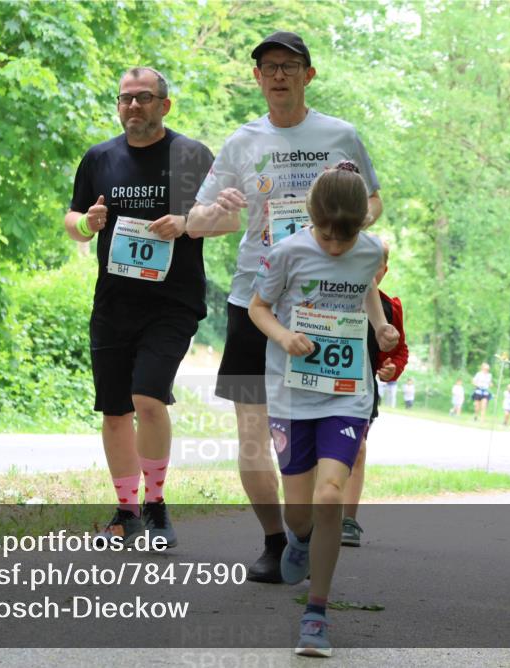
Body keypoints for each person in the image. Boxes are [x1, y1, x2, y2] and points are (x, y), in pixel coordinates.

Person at [186, 31, 383, 583]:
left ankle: (316, 519)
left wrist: (343, 224)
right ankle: (277, 541)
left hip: (329, 301)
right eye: (268, 66)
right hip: (255, 299)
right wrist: (217, 209)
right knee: (252, 432)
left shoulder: (340, 135)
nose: (278, 75)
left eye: (290, 66)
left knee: (324, 423)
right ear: (257, 78)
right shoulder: (241, 142)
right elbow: (199, 220)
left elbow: (373, 199)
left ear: (308, 75)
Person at [248, 162, 398, 657]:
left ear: (362, 226)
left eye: (345, 238)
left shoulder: (371, 249)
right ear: (312, 220)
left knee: (330, 495)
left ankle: (316, 612)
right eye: (327, 237)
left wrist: (379, 328)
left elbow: (366, 289)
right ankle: (300, 539)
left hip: (345, 391)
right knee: (302, 513)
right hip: (293, 392)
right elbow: (257, 308)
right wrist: (285, 336)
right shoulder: (287, 253)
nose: (335, 247)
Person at [65, 67, 214, 547]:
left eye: (144, 98)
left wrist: (188, 221)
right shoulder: (99, 158)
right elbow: (72, 221)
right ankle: (126, 509)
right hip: (114, 301)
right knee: (113, 410)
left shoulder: (191, 156)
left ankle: (157, 506)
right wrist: (87, 222)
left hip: (173, 301)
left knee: (148, 397)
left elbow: (227, 216)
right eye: (125, 99)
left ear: (164, 105)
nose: (133, 106)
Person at [341, 238, 409, 548]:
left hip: (362, 389)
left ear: (384, 270)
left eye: (374, 268)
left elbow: (399, 350)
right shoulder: (331, 294)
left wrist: (392, 367)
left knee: (358, 449)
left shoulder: (389, 307)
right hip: (322, 384)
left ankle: (348, 519)